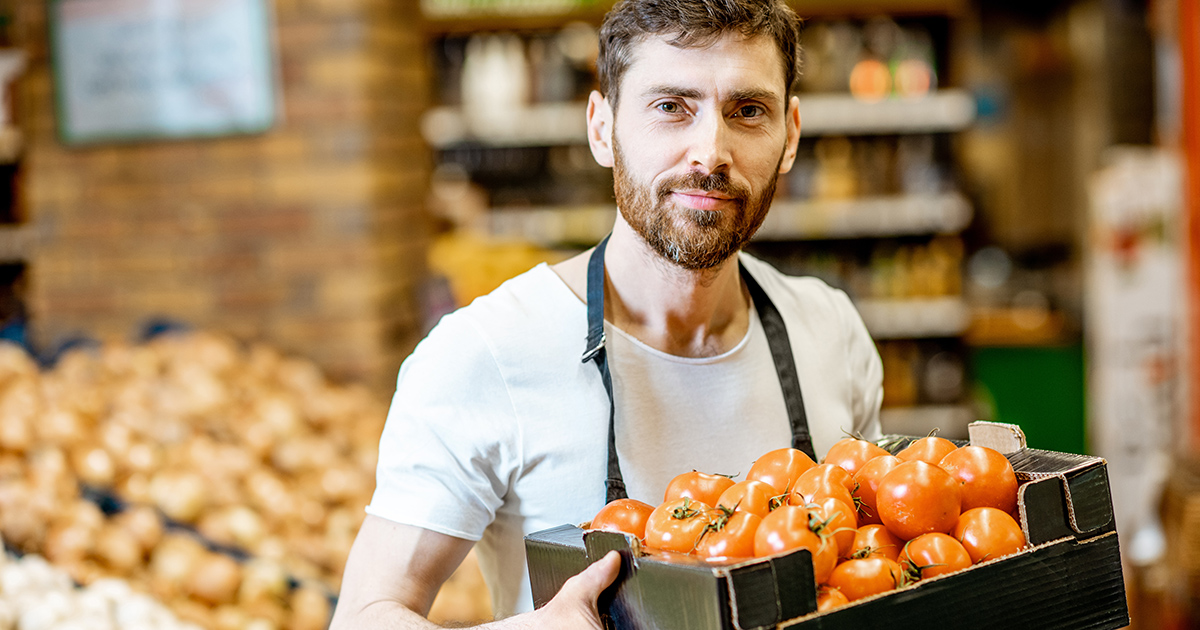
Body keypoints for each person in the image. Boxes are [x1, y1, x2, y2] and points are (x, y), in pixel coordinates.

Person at [330, 0, 883, 626]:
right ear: (602, 128)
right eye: (671, 107)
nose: (710, 153)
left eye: (748, 111)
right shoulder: (486, 352)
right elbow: (363, 615)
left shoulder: (831, 331)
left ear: (791, 135)